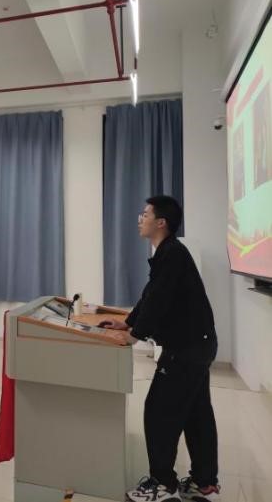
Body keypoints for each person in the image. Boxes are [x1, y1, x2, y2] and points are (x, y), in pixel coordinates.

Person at [100, 197, 219, 502]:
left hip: (186, 348)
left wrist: (134, 335)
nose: (140, 219)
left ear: (161, 222)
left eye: (145, 214)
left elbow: (159, 299)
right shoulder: (169, 252)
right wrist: (129, 323)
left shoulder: (172, 254)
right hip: (198, 344)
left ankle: (163, 484)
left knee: (159, 412)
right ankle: (204, 482)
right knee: (196, 413)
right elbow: (151, 295)